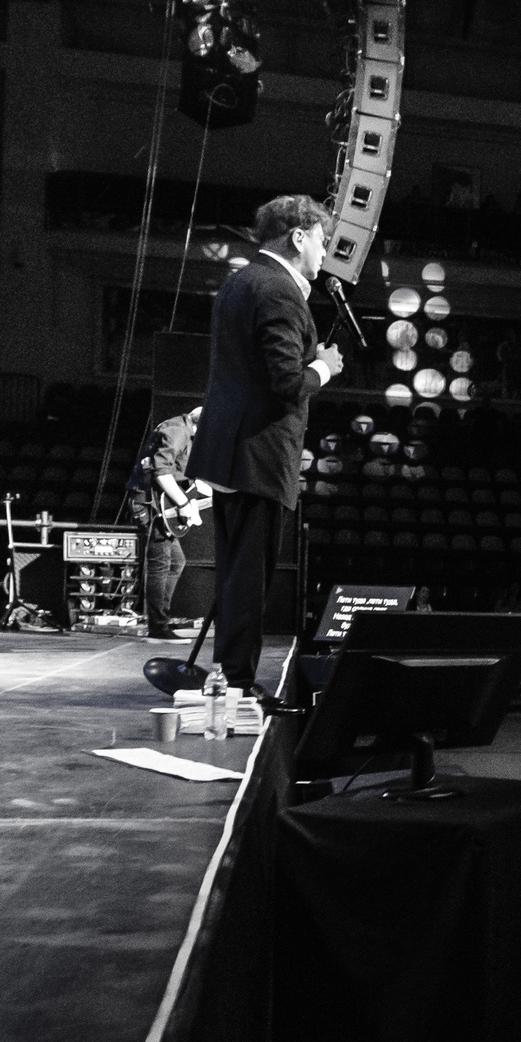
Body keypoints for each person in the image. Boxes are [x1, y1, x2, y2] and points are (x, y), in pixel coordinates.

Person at [185, 196, 343, 695]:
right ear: (298, 237)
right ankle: (236, 682)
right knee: (250, 578)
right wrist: (325, 368)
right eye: (321, 240)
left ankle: (227, 674)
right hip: (260, 452)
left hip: (229, 451)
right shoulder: (279, 291)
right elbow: (286, 383)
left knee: (236, 574)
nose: (324, 253)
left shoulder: (241, 280)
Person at [125, 406, 199, 640]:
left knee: (176, 562)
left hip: (160, 502)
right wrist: (184, 504)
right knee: (160, 563)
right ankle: (157, 627)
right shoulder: (176, 431)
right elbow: (162, 472)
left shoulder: (183, 430)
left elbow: (180, 473)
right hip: (150, 503)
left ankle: (160, 620)